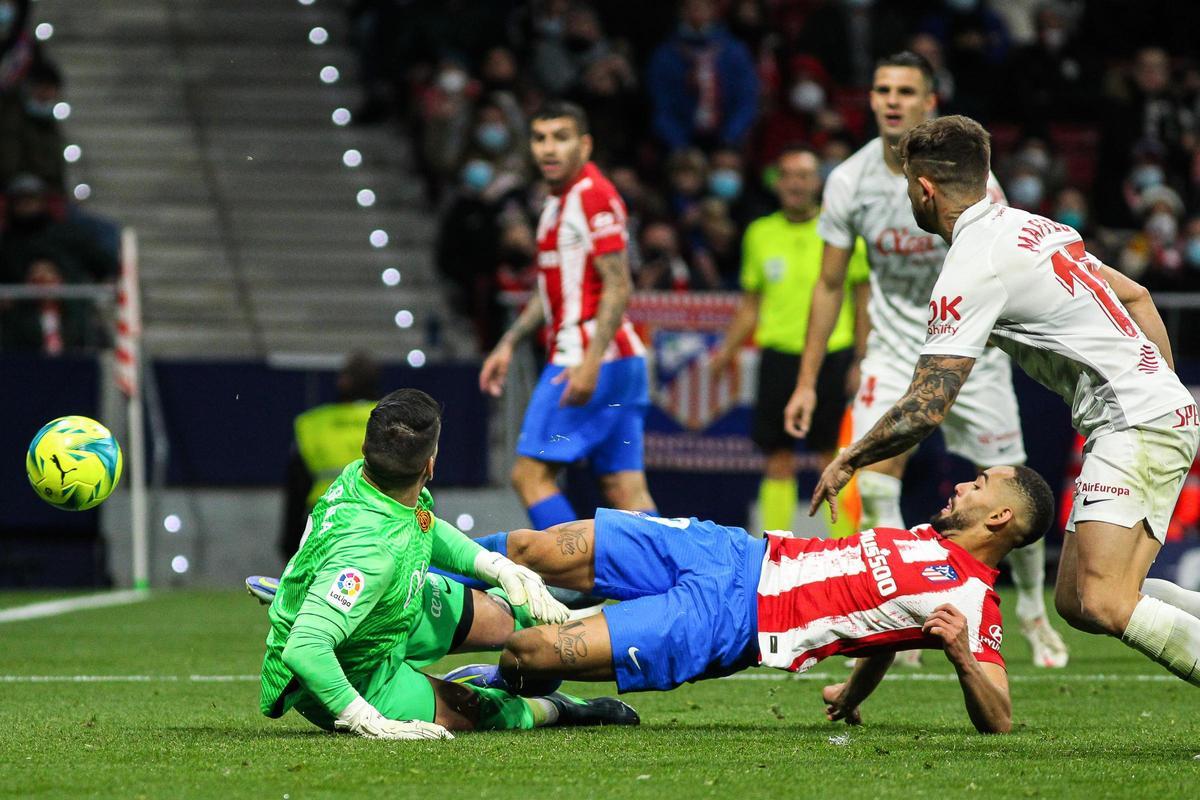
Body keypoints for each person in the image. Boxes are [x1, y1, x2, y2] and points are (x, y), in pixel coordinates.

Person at [810, 114, 1200, 689]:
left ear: (924, 189)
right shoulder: (1031, 226)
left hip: (1135, 419)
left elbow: (926, 407)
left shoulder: (970, 264)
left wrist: (850, 457)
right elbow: (1137, 297)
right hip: (1147, 410)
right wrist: (1159, 390)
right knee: (1075, 600)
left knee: (1103, 599)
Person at [782, 51, 1067, 669]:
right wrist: (809, 380)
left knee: (1010, 489)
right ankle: (898, 617)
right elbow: (830, 284)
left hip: (972, 350)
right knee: (876, 482)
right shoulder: (849, 181)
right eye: (881, 88)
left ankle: (1032, 613)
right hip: (893, 348)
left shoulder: (974, 181)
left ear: (928, 102)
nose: (890, 100)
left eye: (905, 90)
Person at [459, 464, 1056, 735]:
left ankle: (559, 708)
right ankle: (415, 561)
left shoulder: (973, 602)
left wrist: (963, 659)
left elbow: (999, 718)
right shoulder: (928, 536)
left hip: (729, 623)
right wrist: (852, 691)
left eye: (978, 485)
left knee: (526, 654)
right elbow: (892, 627)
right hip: (732, 551)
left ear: (1001, 516)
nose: (960, 485)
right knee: (533, 548)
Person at [258, 388, 637, 739]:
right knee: (478, 712)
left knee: (515, 621)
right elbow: (305, 649)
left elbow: (424, 527)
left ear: (365, 447)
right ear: (431, 465)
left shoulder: (366, 478)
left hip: (392, 605)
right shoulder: (369, 553)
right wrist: (362, 717)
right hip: (356, 675)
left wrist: (496, 566)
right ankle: (558, 709)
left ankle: (489, 667)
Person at [479, 101, 655, 535]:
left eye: (561, 137)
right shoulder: (556, 203)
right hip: (621, 363)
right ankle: (659, 588)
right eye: (540, 138)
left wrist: (591, 361)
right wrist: (510, 341)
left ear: (585, 144)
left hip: (588, 360)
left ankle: (580, 575)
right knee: (623, 487)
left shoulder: (592, 194)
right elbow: (551, 291)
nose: (548, 149)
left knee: (529, 476)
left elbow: (619, 284)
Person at [709, 145, 869, 535]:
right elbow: (751, 304)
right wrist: (725, 351)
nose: (795, 184)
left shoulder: (843, 233)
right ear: (777, 184)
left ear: (818, 183)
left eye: (804, 175)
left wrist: (861, 359)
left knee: (832, 457)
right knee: (776, 457)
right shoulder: (760, 233)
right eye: (788, 175)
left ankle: (846, 554)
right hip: (779, 357)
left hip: (833, 355)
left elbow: (863, 300)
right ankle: (772, 550)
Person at [279, 353, 380, 560]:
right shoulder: (392, 421)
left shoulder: (312, 423)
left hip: (324, 520)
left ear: (342, 382)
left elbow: (296, 489)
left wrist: (289, 542)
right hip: (380, 520)